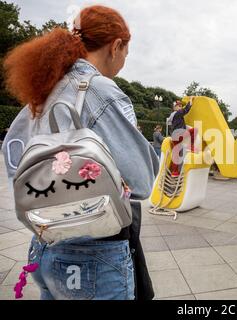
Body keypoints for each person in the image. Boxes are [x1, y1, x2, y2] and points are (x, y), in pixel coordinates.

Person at [1, 5, 159, 300]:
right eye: (126, 51)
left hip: (45, 245)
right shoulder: (101, 91)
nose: (125, 59)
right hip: (93, 252)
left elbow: (14, 157)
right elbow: (141, 180)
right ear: (116, 46)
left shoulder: (45, 89)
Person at [170, 97, 196, 177]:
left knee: (176, 154)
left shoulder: (172, 116)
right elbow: (186, 109)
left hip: (174, 136)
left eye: (181, 105)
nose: (180, 107)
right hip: (179, 134)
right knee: (194, 131)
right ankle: (191, 147)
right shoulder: (177, 113)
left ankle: (174, 172)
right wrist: (191, 100)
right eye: (179, 106)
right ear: (175, 107)